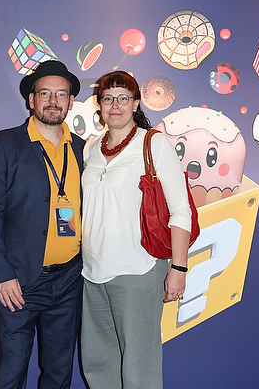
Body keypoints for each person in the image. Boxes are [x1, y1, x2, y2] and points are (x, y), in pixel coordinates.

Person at [0, 60, 85, 389]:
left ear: (70, 101)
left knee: (59, 373)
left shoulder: (83, 149)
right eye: (45, 93)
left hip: (70, 279)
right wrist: (2, 274)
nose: (53, 101)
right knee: (11, 373)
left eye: (61, 94)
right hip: (20, 281)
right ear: (31, 99)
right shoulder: (4, 143)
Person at [80, 71, 192, 389]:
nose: (115, 105)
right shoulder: (91, 148)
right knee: (99, 365)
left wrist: (179, 268)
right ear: (99, 104)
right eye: (108, 98)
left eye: (123, 98)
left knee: (139, 370)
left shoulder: (153, 143)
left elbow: (181, 210)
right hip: (92, 272)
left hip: (138, 270)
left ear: (135, 103)